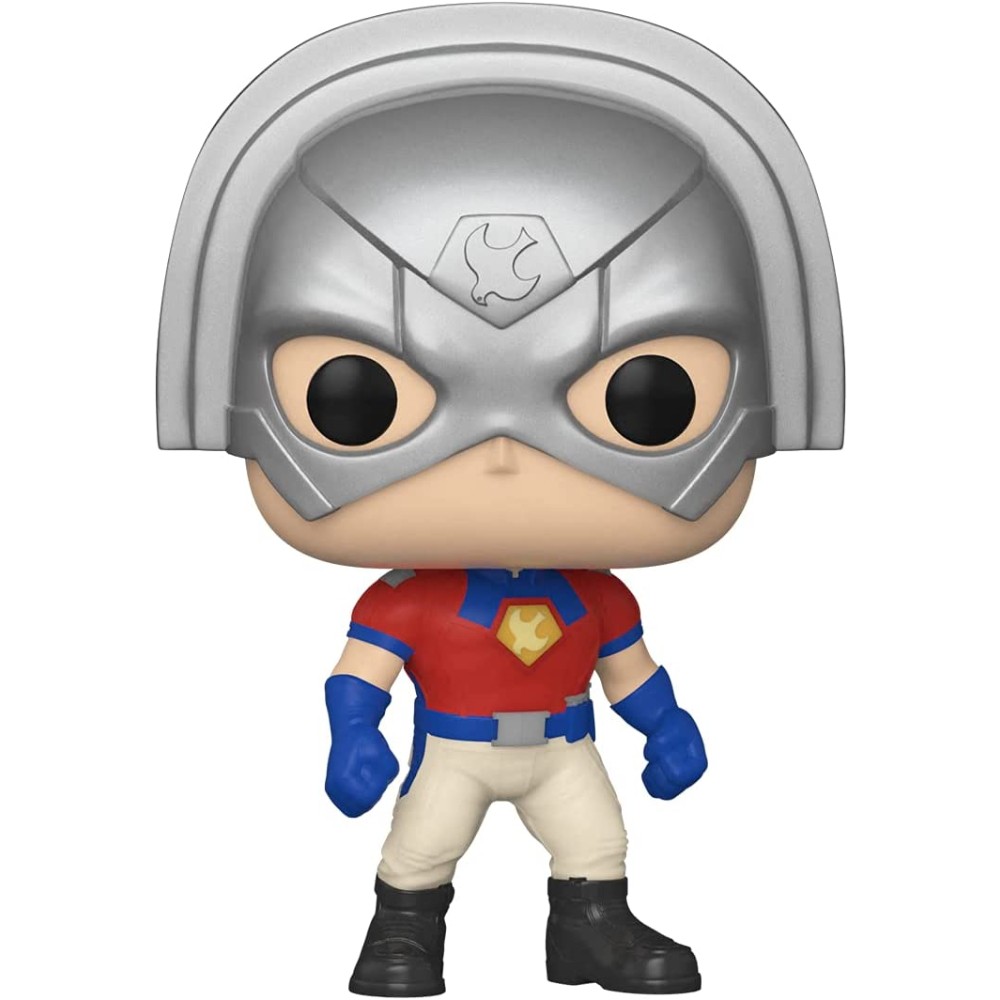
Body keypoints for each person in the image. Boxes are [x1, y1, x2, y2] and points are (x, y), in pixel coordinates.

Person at [157, 6, 844, 995]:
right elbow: (360, 675)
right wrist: (353, 736)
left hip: (563, 743)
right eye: (358, 397)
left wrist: (666, 723)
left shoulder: (598, 595)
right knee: (421, 846)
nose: (504, 460)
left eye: (647, 397)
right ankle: (401, 937)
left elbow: (630, 669)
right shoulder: (405, 599)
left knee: (595, 840)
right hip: (455, 746)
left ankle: (590, 936)